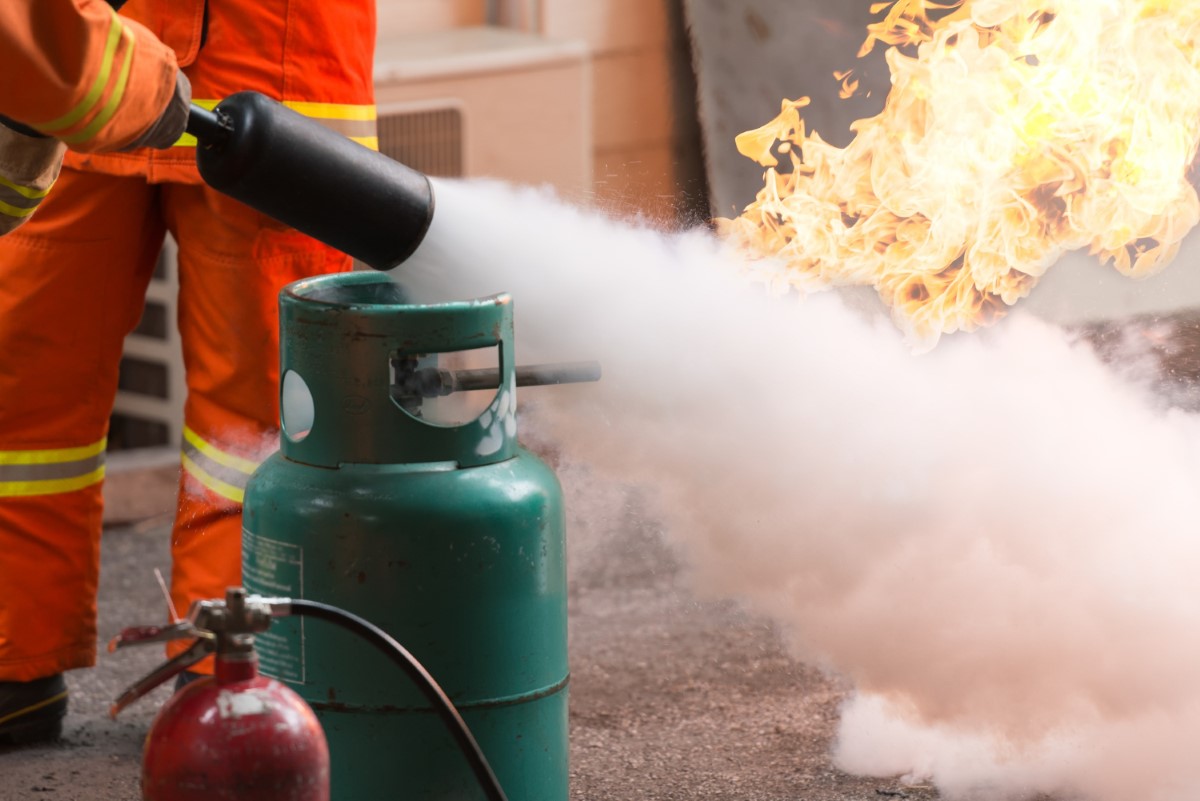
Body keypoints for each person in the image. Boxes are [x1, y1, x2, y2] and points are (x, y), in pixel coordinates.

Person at [0, 0, 378, 746]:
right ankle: (14, 652)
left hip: (275, 55)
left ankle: (234, 667)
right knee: (19, 384)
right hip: (75, 46)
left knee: (258, 415)